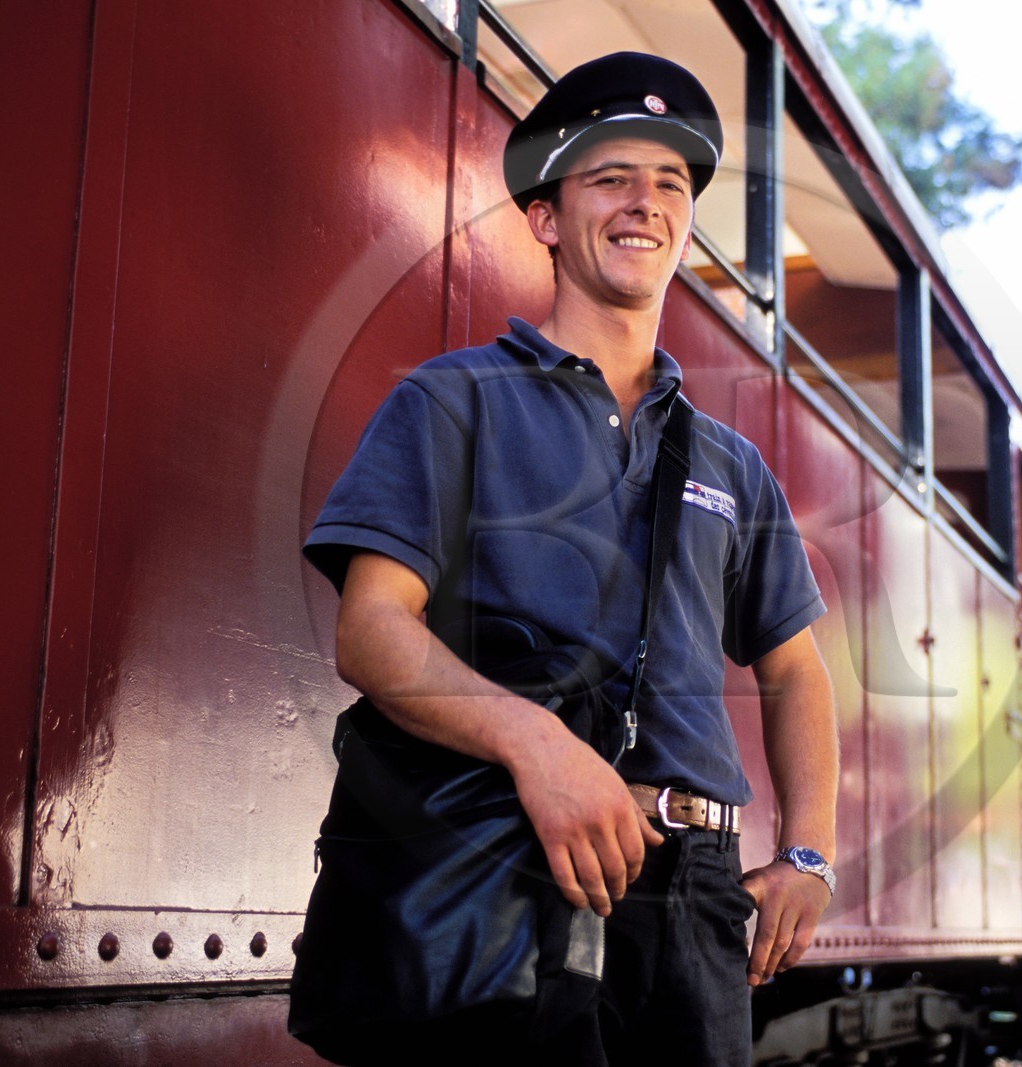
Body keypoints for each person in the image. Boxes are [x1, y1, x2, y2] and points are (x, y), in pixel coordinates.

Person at [301, 51, 839, 1065]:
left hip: (693, 893)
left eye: (670, 183)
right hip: (507, 863)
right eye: (611, 177)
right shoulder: (449, 402)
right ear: (546, 216)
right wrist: (536, 745)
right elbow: (370, 630)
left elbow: (795, 669)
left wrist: (808, 850)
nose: (646, 202)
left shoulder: (733, 463)